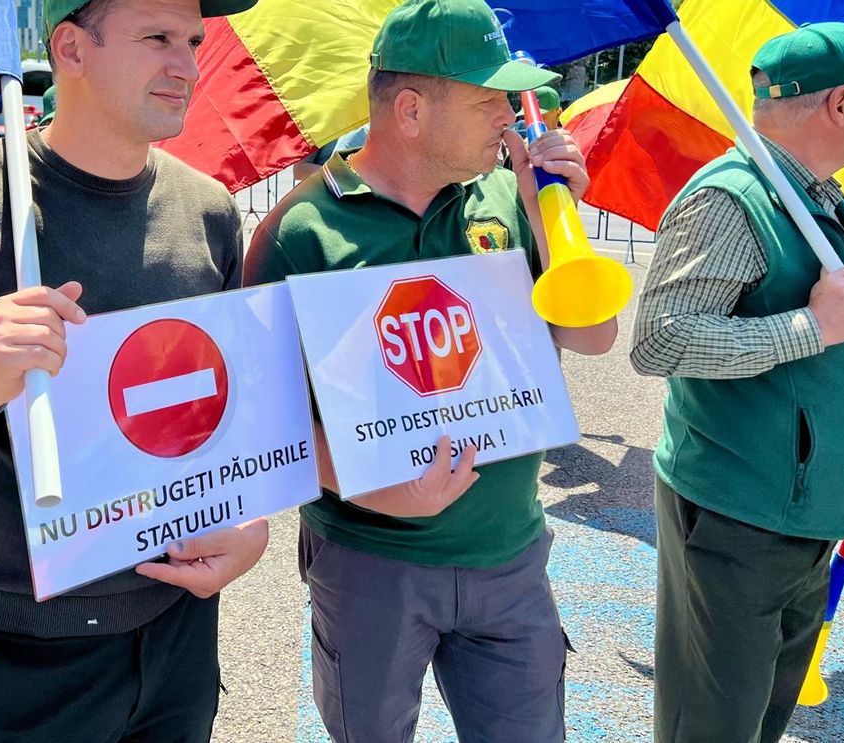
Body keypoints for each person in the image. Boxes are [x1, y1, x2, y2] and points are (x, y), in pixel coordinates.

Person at [0, 0, 268, 740]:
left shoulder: (207, 211)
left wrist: (251, 523)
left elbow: (228, 414)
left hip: (181, 627)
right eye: (157, 38)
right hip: (29, 647)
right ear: (70, 48)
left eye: (193, 41)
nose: (186, 65)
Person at [244, 1, 616, 740]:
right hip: (372, 562)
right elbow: (260, 425)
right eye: (488, 100)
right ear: (410, 110)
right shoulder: (300, 232)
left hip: (509, 553)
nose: (509, 116)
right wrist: (380, 490)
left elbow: (594, 335)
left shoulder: (513, 199)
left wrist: (554, 220)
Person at [630, 23, 844, 743]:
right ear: (841, 103)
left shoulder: (814, 195)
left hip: (797, 514)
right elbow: (661, 338)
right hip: (742, 514)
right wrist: (812, 326)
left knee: (759, 719)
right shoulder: (733, 199)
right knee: (713, 725)